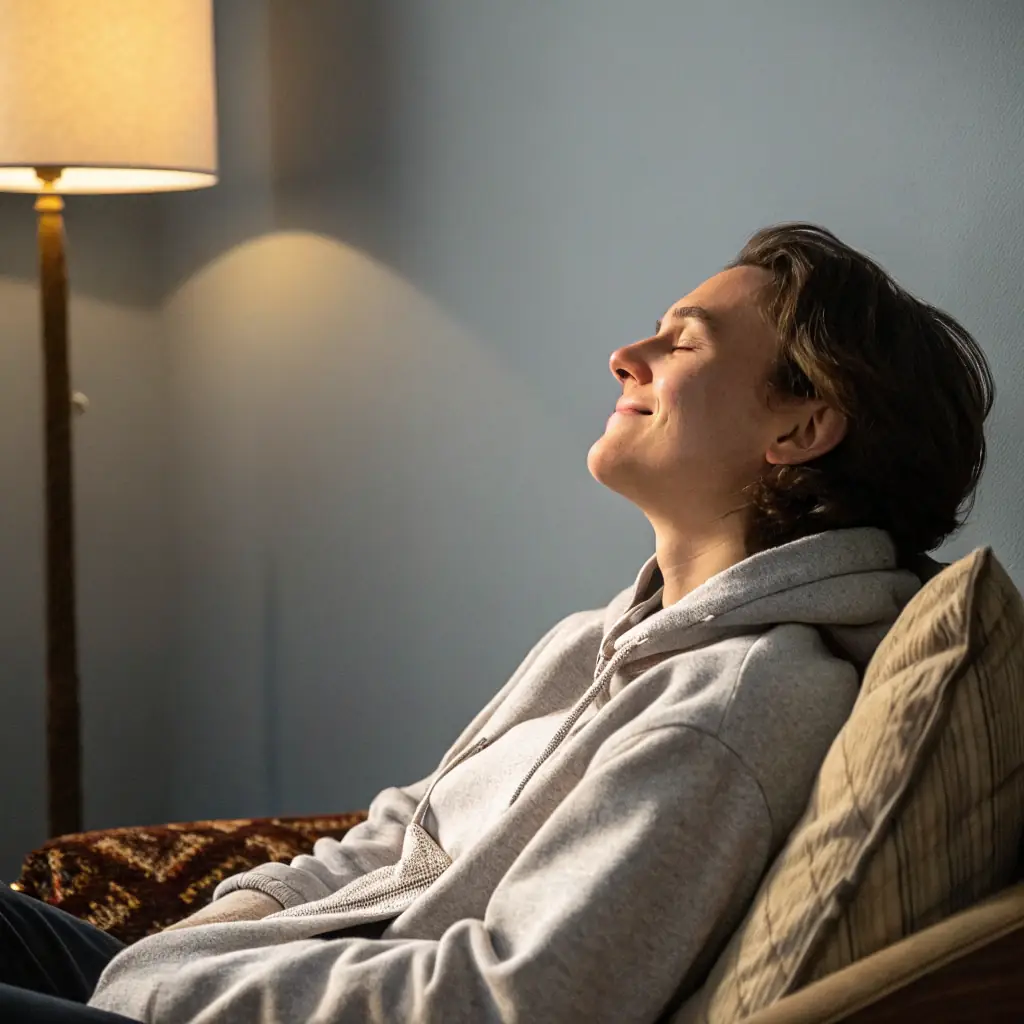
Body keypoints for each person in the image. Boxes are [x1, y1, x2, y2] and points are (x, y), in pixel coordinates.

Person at [3, 223, 993, 1023]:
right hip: (236, 981)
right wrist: (217, 934)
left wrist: (162, 986)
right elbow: (403, 830)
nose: (625, 356)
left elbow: (523, 998)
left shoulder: (739, 703)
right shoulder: (597, 636)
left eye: (682, 341)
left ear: (800, 426)